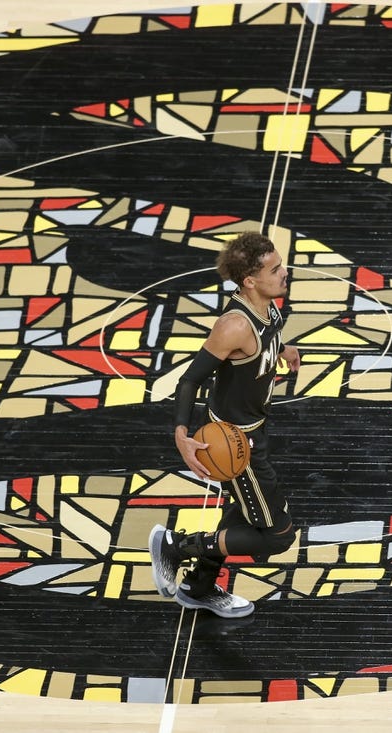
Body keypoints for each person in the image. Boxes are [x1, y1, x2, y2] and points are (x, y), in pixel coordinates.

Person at [149, 231, 301, 618]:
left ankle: (198, 587)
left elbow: (267, 336)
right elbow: (190, 380)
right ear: (249, 281)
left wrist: (281, 349)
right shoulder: (233, 326)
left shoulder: (267, 307)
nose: (285, 272)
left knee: (243, 513)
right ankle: (177, 546)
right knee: (278, 535)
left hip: (255, 430)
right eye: (275, 268)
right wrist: (182, 435)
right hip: (236, 443)